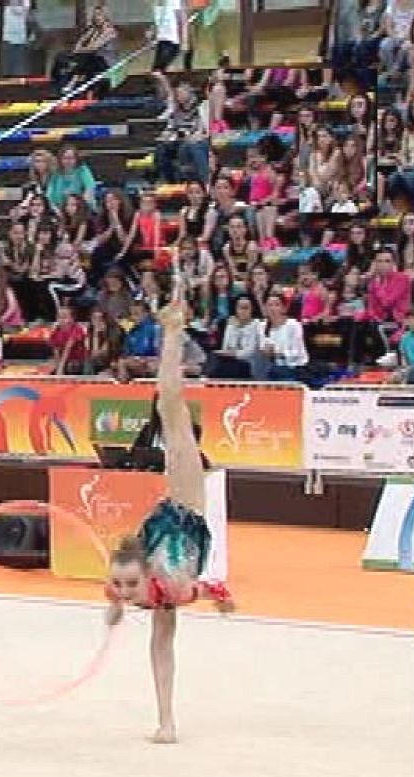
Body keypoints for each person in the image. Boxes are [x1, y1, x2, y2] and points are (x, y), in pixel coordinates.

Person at [104, 286, 234, 746]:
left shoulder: (133, 578)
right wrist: (221, 597)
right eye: (124, 588)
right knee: (169, 406)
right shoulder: (174, 591)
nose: (122, 591)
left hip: (167, 516)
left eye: (124, 586)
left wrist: (114, 607)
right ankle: (174, 328)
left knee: (168, 404)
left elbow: (122, 582)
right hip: (187, 508)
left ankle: (174, 329)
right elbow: (210, 588)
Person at [251, 294, 308, 383]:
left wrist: (278, 353)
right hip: (270, 365)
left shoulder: (293, 324)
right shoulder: (262, 325)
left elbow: (297, 353)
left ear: (283, 308)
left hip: (294, 367)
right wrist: (266, 351)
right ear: (265, 308)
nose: (273, 308)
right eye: (270, 305)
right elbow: (262, 347)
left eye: (277, 305)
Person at [210, 294, 260, 379]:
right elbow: (226, 347)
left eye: (246, 308)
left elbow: (251, 351)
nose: (243, 311)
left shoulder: (257, 325)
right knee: (214, 358)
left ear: (252, 309)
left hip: (248, 364)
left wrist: (234, 353)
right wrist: (236, 328)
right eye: (240, 308)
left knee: (229, 367)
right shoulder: (231, 324)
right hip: (231, 361)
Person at [390, 305, 414, 384]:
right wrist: (400, 373)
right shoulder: (405, 338)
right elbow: (405, 363)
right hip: (411, 374)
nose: (412, 322)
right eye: (409, 319)